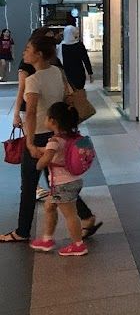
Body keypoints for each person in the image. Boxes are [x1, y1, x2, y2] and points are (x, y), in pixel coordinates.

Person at [0, 32, 100, 243]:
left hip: (37, 137)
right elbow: (66, 97)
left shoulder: (33, 80)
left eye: (28, 50)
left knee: (28, 185)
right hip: (55, 133)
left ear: (38, 54)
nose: (24, 53)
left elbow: (32, 111)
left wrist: (29, 143)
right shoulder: (55, 71)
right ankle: (87, 216)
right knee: (57, 181)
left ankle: (22, 231)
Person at [28, 102, 90, 256]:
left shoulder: (54, 141)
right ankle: (46, 239)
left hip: (62, 184)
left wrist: (38, 163)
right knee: (49, 206)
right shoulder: (70, 137)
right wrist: (41, 150)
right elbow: (56, 151)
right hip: (72, 181)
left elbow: (47, 158)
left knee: (70, 215)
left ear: (53, 121)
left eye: (46, 117)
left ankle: (78, 245)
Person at [59, 15, 93, 91]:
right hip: (79, 73)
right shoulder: (79, 45)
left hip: (66, 74)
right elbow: (85, 59)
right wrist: (90, 72)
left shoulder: (61, 46)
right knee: (79, 91)